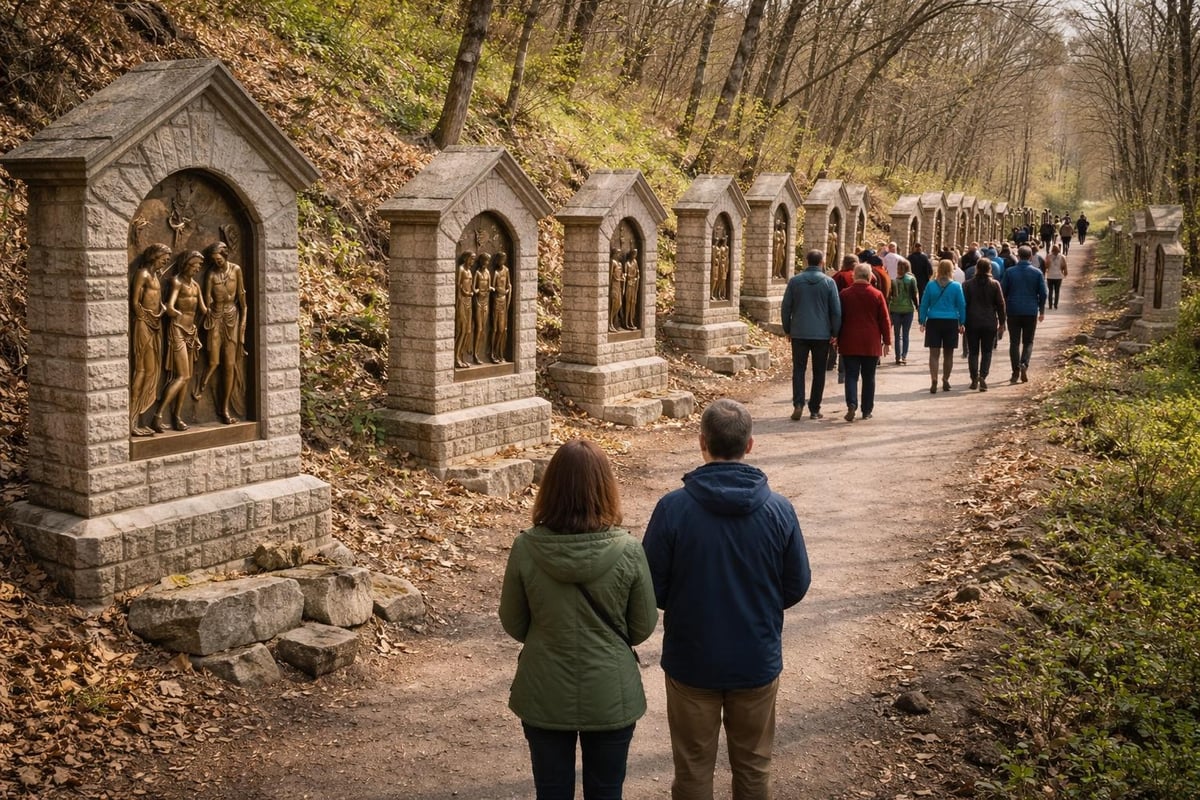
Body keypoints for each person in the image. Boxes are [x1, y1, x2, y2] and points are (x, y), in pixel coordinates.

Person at [642, 399, 812, 800]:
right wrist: (761, 607)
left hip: (691, 659)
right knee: (754, 766)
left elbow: (651, 584)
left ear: (702, 442)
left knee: (693, 769)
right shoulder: (779, 510)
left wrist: (685, 604)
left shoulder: (673, 509)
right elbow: (796, 583)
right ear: (750, 445)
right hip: (756, 656)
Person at [499, 439, 658, 800]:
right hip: (611, 691)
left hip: (543, 690)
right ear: (606, 487)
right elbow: (642, 626)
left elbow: (512, 621)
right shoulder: (629, 550)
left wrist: (545, 634)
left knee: (551, 792)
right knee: (606, 791)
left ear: (550, 488)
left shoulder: (526, 547)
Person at [780, 249, 841, 420]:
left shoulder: (795, 282)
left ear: (807, 262)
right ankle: (814, 408)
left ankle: (798, 403)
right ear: (822, 262)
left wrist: (788, 329)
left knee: (798, 369)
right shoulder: (829, 283)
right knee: (819, 371)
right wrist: (835, 332)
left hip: (799, 332)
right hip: (822, 334)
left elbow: (786, 308)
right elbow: (836, 311)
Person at [154, 250, 207, 432]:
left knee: (187, 377)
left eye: (199, 265)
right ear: (186, 264)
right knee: (183, 375)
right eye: (195, 265)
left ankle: (176, 416)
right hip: (177, 330)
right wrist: (175, 313)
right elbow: (170, 305)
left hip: (191, 333)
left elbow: (203, 309)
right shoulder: (177, 282)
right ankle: (158, 415)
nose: (198, 268)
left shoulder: (196, 286)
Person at [197, 241, 247, 424]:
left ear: (225, 256)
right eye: (213, 260)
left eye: (218, 259)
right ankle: (201, 385)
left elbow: (243, 302)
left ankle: (224, 408)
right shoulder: (210, 274)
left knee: (229, 364)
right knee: (213, 361)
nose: (216, 262)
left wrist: (242, 328)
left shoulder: (236, 270)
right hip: (216, 318)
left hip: (232, 318)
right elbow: (206, 301)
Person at [839, 263, 892, 421]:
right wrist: (887, 342)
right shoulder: (876, 294)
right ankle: (867, 410)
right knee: (869, 377)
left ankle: (852, 404)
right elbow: (884, 319)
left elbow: (838, 317)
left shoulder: (844, 294)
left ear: (854, 276)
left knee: (851, 375)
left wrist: (835, 335)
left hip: (849, 341)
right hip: (871, 342)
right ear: (870, 277)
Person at [129, 243, 170, 436]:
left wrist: (162, 309)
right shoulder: (142, 274)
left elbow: (156, 300)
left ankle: (141, 415)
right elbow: (135, 302)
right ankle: (131, 421)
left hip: (155, 325)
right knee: (142, 370)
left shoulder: (155, 276)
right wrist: (148, 318)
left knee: (153, 370)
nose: (166, 261)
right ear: (155, 256)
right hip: (144, 325)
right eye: (164, 257)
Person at [1000, 244, 1049, 383]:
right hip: (1030, 311)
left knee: (1014, 342)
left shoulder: (1010, 272)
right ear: (1031, 257)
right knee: (1028, 341)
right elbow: (1044, 293)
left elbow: (1003, 291)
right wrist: (1042, 310)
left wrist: (1003, 308)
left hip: (1013, 310)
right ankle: (1024, 364)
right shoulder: (1037, 273)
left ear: (1018, 256)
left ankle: (1015, 371)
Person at [917, 259, 966, 394]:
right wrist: (962, 321)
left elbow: (924, 303)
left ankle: (934, 378)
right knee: (948, 354)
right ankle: (945, 379)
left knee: (934, 354)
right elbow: (961, 305)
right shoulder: (956, 286)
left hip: (934, 320)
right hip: (950, 321)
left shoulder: (931, 285)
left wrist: (922, 319)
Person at [962, 259, 1006, 392]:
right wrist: (1002, 323)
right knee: (987, 351)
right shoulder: (995, 284)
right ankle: (983, 376)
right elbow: (1001, 305)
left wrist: (962, 322)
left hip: (972, 322)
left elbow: (963, 305)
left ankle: (974, 377)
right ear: (989, 269)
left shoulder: (967, 285)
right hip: (989, 322)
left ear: (976, 269)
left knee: (973, 351)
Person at [887, 259, 919, 365]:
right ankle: (904, 356)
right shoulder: (911, 280)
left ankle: (897, 357)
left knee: (897, 335)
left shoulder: (893, 281)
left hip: (896, 309)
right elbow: (914, 295)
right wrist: (917, 307)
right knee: (905, 334)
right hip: (908, 309)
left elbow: (890, 297)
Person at [1044, 243, 1068, 310]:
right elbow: (1065, 267)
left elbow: (1046, 266)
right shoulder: (1062, 257)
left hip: (1050, 276)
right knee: (1057, 291)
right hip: (1058, 276)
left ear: (1052, 250)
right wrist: (1065, 273)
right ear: (1059, 250)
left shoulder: (1048, 256)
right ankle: (1055, 305)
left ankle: (1050, 305)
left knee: (1050, 291)